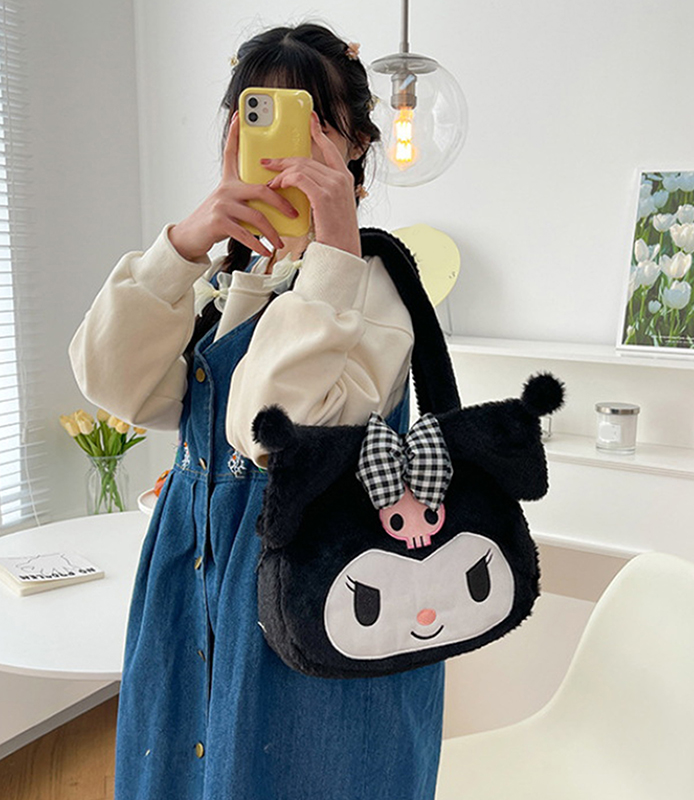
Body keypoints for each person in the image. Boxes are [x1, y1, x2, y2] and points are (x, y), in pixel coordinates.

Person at [68, 22, 445, 800]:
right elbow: (115, 383)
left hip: (315, 608)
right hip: (192, 590)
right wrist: (184, 246)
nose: (280, 151)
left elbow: (271, 428)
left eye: (309, 123)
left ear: (355, 143)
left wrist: (332, 254)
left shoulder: (374, 288)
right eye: (255, 117)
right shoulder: (227, 282)